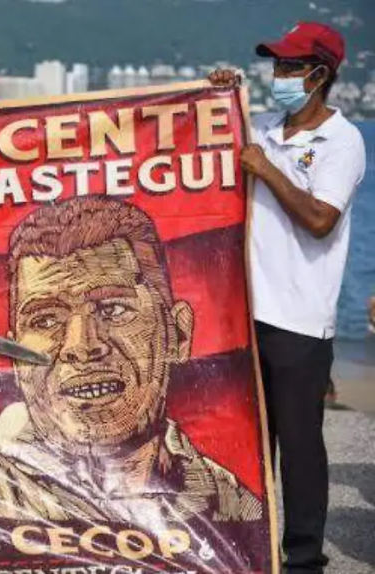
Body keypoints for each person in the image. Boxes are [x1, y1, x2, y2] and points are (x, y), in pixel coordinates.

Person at [0, 197, 263, 533]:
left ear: (179, 335)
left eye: (113, 309)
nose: (82, 346)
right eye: (45, 320)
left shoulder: (230, 503)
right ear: (14, 354)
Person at [210, 21, 366, 574]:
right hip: (246, 311)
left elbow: (322, 219)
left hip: (299, 319)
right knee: (249, 440)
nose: (279, 74)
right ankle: (250, 548)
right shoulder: (265, 129)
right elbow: (211, 150)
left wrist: (269, 171)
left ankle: (303, 559)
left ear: (320, 74)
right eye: (277, 64)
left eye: (291, 66)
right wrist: (215, 98)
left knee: (299, 446)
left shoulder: (343, 140)